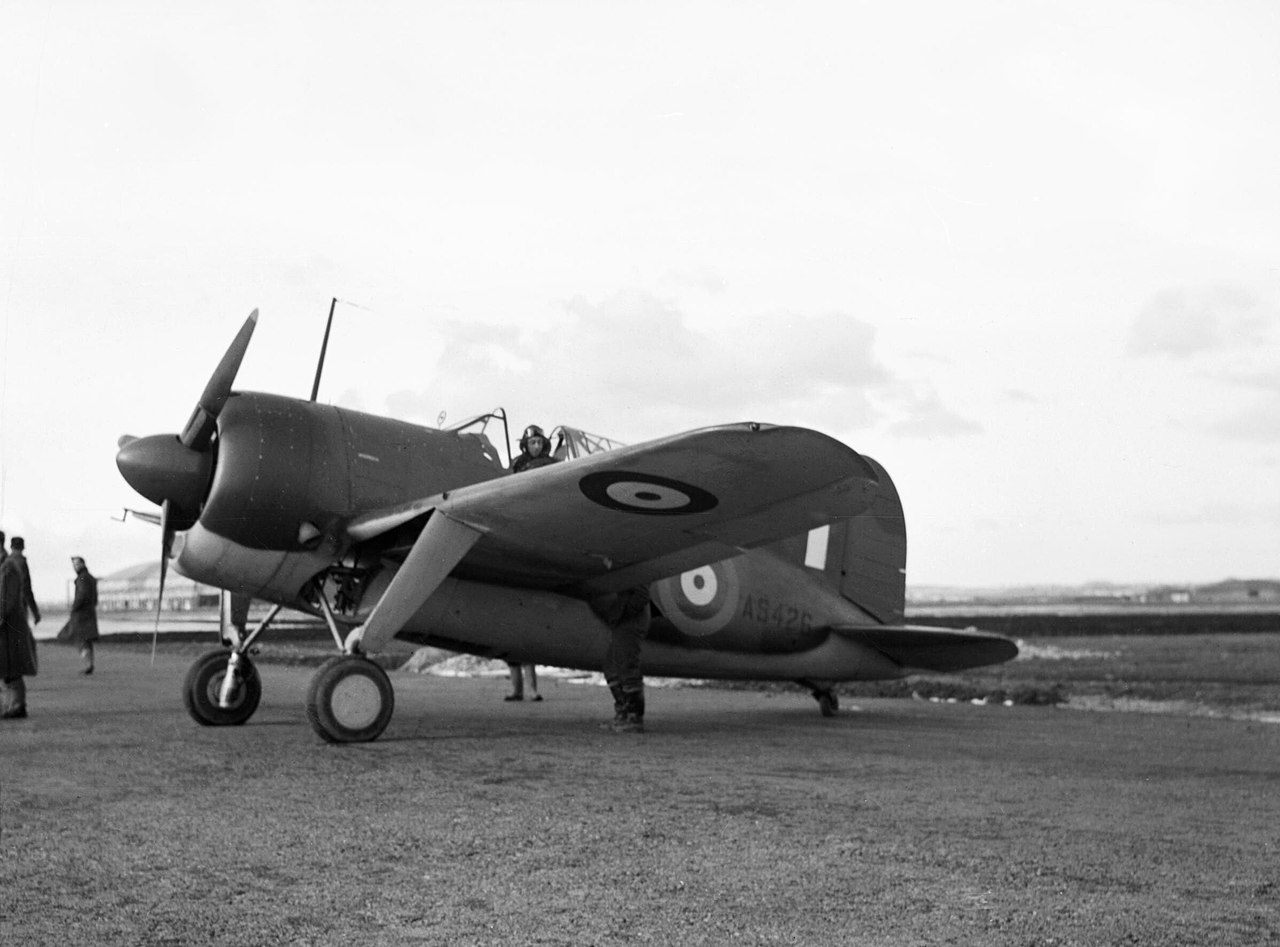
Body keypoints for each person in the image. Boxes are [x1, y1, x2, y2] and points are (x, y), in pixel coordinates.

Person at [501, 424, 561, 702]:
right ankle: (516, 690)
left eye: (539, 442)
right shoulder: (517, 467)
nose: (536, 446)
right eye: (532, 443)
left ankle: (533, 690)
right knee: (512, 644)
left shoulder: (550, 465)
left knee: (524, 645)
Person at [590, 586, 652, 733]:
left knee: (626, 666)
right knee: (611, 666)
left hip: (631, 620)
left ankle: (633, 718)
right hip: (624, 619)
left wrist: (627, 612)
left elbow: (642, 593)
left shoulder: (637, 569)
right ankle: (623, 714)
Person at [1, 538, 38, 719]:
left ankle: (17, 705)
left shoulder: (8, 566)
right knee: (8, 666)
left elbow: (5, 599)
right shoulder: (10, 564)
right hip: (10, 621)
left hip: (9, 623)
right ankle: (12, 705)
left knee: (10, 666)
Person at [67, 556, 100, 675]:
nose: (75, 567)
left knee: (79, 638)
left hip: (81, 613)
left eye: (77, 564)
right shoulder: (90, 578)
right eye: (74, 564)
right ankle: (90, 664)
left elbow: (81, 595)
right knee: (87, 640)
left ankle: (87, 663)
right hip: (90, 612)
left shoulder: (82, 578)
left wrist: (74, 607)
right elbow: (95, 598)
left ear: (82, 564)